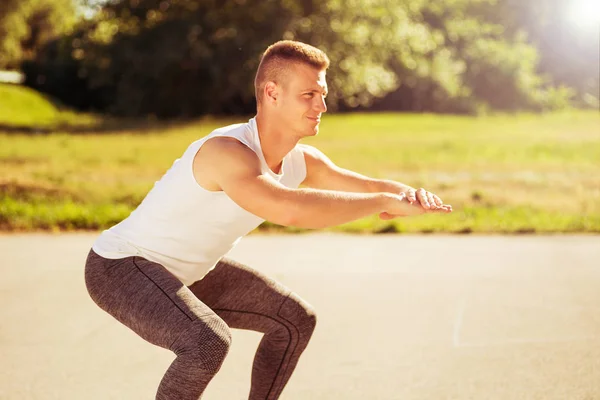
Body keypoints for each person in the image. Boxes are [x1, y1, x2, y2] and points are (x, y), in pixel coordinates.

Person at [84, 40, 452, 400]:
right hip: (122, 268)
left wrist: (412, 197)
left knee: (294, 321)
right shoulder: (227, 152)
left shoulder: (302, 161)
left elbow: (368, 186)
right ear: (272, 94)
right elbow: (290, 208)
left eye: (322, 94)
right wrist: (382, 202)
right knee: (206, 341)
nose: (321, 105)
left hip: (187, 271)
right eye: (308, 95)